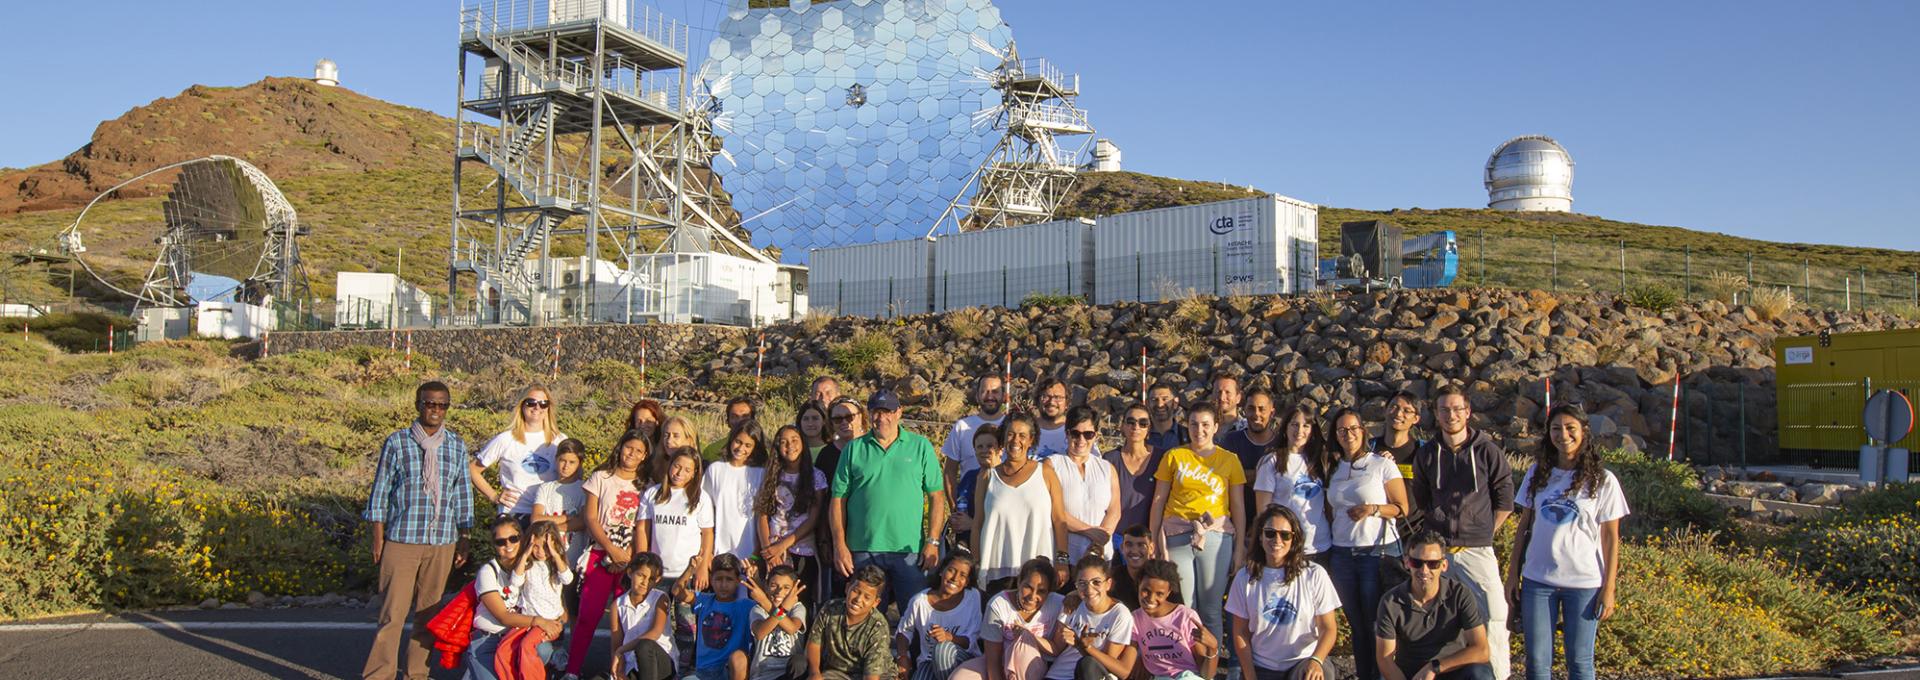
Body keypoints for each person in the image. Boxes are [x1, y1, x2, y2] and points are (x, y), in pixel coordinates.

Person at [1506, 405, 1629, 680]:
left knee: (1580, 663)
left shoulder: (1603, 480)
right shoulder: (1537, 474)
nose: (1563, 435)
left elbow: (1610, 538)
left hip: (1584, 583)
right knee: (1537, 664)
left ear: (1584, 431)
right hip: (1538, 580)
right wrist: (1513, 575)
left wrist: (1609, 587)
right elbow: (1524, 527)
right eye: (1556, 428)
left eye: (1570, 428)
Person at [362, 381, 473, 680]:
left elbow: (462, 493)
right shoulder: (397, 442)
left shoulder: (456, 445)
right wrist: (378, 537)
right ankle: (379, 674)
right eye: (429, 403)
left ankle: (416, 674)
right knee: (391, 615)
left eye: (442, 405)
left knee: (428, 615)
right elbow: (381, 491)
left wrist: (465, 537)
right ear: (418, 405)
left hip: (442, 540)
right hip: (402, 539)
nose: (435, 410)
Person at [1409, 385, 1515, 680]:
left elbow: (1505, 499)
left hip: (1477, 549)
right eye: (1444, 409)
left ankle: (1497, 675)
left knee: (1493, 614)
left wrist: (1484, 531)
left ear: (1468, 412)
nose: (1451, 415)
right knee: (1440, 619)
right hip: (1439, 553)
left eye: (1457, 409)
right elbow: (1422, 498)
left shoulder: (1487, 451)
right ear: (1436, 413)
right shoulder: (1427, 454)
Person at [829, 390, 948, 610]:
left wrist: (933, 542)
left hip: (910, 549)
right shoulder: (854, 448)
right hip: (863, 549)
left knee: (914, 614)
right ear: (869, 414)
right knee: (866, 617)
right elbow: (838, 500)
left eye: (888, 412)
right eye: (876, 412)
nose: (881, 418)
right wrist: (839, 545)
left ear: (899, 412)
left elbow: (936, 496)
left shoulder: (920, 446)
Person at [1148, 403, 1246, 650]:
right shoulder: (1174, 456)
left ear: (1215, 427)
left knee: (1211, 608)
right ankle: (1186, 661)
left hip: (1216, 537)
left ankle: (1210, 661)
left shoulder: (1230, 460)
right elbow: (1158, 500)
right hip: (1177, 535)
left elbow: (1238, 507)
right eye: (1193, 424)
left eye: (1205, 424)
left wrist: (1239, 548)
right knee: (1185, 606)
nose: (1199, 430)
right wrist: (1154, 539)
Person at [1325, 407, 1411, 680]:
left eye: (1353, 428)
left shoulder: (1382, 464)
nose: (1348, 434)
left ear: (1363, 431)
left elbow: (1402, 507)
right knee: (1357, 624)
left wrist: (1372, 509)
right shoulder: (1332, 467)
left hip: (1375, 552)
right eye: (1342, 430)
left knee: (1377, 623)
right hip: (1342, 553)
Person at [564, 430, 653, 679]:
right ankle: (572, 670)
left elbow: (643, 526)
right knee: (588, 616)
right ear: (620, 446)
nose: (631, 454)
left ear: (645, 456)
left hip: (629, 560)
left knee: (626, 621)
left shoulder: (647, 485)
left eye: (638, 451)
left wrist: (628, 556)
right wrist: (611, 550)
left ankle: (620, 672)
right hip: (600, 554)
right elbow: (590, 518)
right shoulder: (601, 477)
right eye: (628, 447)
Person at [1225, 505, 1340, 680]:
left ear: (1294, 538)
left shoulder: (1314, 574)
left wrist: (1316, 660)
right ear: (1260, 536)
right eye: (1270, 533)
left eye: (1285, 535)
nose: (1277, 540)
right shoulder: (1244, 578)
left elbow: (1328, 628)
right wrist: (1250, 676)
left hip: (1303, 662)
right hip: (1262, 666)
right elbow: (1240, 632)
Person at [1376, 531, 1494, 680]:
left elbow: (1482, 650)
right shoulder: (1391, 602)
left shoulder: (1459, 594)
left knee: (1481, 674)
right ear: (1407, 563)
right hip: (1412, 675)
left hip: (1453, 671)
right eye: (1417, 563)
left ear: (1444, 565)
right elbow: (1385, 659)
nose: (1424, 570)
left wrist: (1435, 667)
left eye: (1433, 564)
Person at [975, 412, 1068, 594]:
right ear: (1003, 438)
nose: (1015, 440)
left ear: (1031, 440)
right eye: (1010, 434)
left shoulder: (1046, 473)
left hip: (1037, 574)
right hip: (996, 573)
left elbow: (1059, 520)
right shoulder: (987, 477)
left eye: (1022, 435)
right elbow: (978, 524)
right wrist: (976, 563)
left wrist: (1062, 560)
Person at [467, 517, 564, 680]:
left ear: (523, 538)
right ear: (494, 545)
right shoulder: (488, 571)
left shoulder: (535, 566)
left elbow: (556, 603)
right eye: (500, 542)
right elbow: (503, 617)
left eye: (513, 538)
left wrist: (556, 623)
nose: (508, 545)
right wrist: (540, 621)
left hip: (518, 636)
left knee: (542, 650)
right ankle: (473, 672)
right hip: (488, 640)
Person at [949, 557, 1067, 680]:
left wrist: (1073, 596)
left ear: (1049, 592)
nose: (1032, 596)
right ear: (1019, 581)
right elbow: (993, 660)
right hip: (1000, 661)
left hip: (1033, 666)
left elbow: (1056, 649)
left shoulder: (1059, 603)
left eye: (1041, 591)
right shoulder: (998, 604)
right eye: (1028, 587)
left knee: (1023, 643)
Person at [1252, 402, 1334, 569]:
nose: (1299, 430)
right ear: (1286, 427)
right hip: (1286, 546)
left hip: (1320, 545)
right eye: (1294, 424)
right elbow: (1263, 512)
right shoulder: (1272, 461)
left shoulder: (1321, 460)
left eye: (1306, 426)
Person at [757, 424, 829, 606]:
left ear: (803, 443)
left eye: (795, 440)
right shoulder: (771, 474)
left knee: (799, 602)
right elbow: (762, 514)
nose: (790, 446)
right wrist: (769, 551)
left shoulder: (816, 476)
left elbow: (814, 518)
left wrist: (783, 545)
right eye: (784, 442)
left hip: (802, 550)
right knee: (772, 601)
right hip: (773, 552)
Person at [472, 385, 567, 517]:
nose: (537, 407)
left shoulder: (560, 440)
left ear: (548, 408)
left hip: (548, 515)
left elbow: (574, 475)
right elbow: (473, 469)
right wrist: (494, 496)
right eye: (531, 403)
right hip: (513, 513)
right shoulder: (506, 439)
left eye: (543, 404)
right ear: (522, 406)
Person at [895, 552, 983, 680]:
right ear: (942, 571)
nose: (955, 578)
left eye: (963, 575)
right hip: (929, 661)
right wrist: (902, 657)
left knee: (942, 650)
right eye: (951, 570)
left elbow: (971, 640)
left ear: (967, 582)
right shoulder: (919, 601)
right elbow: (904, 631)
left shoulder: (973, 597)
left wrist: (949, 637)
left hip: (963, 660)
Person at [1049, 406, 1120, 561]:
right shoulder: (1052, 465)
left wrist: (1100, 539)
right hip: (1064, 557)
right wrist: (1088, 531)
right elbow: (1052, 509)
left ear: (1095, 435)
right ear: (1067, 434)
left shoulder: (1107, 468)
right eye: (1075, 433)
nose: (1081, 440)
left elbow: (1114, 510)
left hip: (1100, 557)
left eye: (1088, 434)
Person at [1131, 558, 1220, 680]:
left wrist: (1213, 648)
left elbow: (1206, 675)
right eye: (1146, 591)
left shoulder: (1185, 617)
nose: (1151, 599)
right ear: (1139, 585)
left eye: (1159, 594)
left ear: (1168, 592)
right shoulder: (1135, 619)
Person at [1053, 555, 1137, 680]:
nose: (1089, 589)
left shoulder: (1119, 614)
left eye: (1096, 582)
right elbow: (1055, 648)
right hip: (1060, 674)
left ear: (1108, 584)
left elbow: (1108, 664)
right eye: (1082, 583)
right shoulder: (1072, 604)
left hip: (1092, 674)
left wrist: (1084, 647)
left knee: (1087, 664)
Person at [674, 553, 757, 680]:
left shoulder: (746, 606)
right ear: (711, 579)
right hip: (703, 673)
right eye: (719, 579)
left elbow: (768, 605)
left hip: (729, 671)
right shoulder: (704, 600)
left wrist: (756, 580)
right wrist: (690, 570)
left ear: (738, 581)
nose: (723, 585)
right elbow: (677, 591)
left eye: (729, 579)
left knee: (739, 658)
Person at [807, 565, 897, 680]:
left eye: (867, 597)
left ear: (876, 602)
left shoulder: (878, 626)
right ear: (847, 588)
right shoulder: (830, 608)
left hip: (875, 675)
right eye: (856, 591)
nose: (858, 600)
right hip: (838, 673)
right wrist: (814, 672)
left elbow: (871, 676)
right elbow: (814, 643)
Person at [645, 447, 715, 592]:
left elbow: (707, 534)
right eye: (677, 466)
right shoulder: (652, 493)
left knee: (685, 608)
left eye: (687, 470)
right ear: (670, 464)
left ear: (694, 473)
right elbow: (642, 529)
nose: (679, 473)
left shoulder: (701, 497)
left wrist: (702, 567)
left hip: (688, 573)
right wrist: (643, 563)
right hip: (656, 572)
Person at [1107, 403, 1168, 555]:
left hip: (1148, 539)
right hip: (1117, 539)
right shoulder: (1110, 459)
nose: (1136, 427)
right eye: (1131, 421)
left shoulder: (1162, 458)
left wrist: (1155, 541)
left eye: (1143, 423)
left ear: (1149, 429)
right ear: (1122, 426)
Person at [707, 420, 770, 561]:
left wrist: (756, 554)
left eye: (748, 445)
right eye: (738, 442)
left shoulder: (761, 474)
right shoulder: (715, 469)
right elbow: (706, 511)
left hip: (750, 552)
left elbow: (763, 516)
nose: (741, 448)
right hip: (718, 551)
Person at [943, 375, 1009, 503]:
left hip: (1005, 502)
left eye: (995, 391)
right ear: (977, 396)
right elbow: (949, 471)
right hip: (970, 504)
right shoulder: (961, 427)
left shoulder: (1013, 426)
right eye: (985, 391)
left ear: (1004, 396)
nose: (990, 396)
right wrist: (954, 507)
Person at [612, 553, 676, 680]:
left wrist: (622, 650)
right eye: (641, 575)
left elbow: (655, 633)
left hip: (661, 665)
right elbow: (616, 645)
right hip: (632, 666)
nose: (644, 583)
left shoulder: (660, 598)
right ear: (630, 572)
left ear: (657, 580)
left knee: (644, 645)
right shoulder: (617, 605)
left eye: (651, 579)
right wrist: (618, 669)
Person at [531, 438, 590, 576]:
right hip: (546, 558)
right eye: (562, 460)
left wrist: (552, 528)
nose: (566, 466)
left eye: (572, 462)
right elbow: (536, 519)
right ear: (556, 459)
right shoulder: (545, 488)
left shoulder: (585, 488)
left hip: (573, 557)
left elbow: (581, 522)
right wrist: (567, 518)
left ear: (580, 463)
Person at [1218, 388, 1280, 514]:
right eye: (1251, 408)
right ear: (1244, 410)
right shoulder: (1231, 441)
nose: (1256, 414)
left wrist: (1242, 475)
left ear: (1272, 412)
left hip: (1271, 518)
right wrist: (1265, 476)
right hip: (1236, 516)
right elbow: (1222, 477)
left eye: (1262, 409)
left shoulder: (1280, 445)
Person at [514, 522, 575, 651]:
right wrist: (525, 555)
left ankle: (555, 659)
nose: (541, 552)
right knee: (525, 649)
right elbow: (515, 581)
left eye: (545, 547)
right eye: (535, 546)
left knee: (541, 650)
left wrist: (555, 555)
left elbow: (568, 579)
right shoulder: (528, 564)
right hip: (531, 620)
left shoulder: (555, 564)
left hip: (553, 621)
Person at [748, 564, 811, 680]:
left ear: (794, 590)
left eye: (786, 587)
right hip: (764, 675)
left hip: (790, 673)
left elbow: (792, 628)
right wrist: (782, 608)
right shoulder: (758, 610)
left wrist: (766, 602)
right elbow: (760, 633)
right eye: (773, 585)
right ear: (766, 586)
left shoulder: (797, 608)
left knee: (799, 661)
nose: (779, 591)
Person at [949, 425, 1004, 550]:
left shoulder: (1007, 479)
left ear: (1001, 449)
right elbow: (961, 506)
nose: (984, 450)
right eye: (980, 446)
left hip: (995, 548)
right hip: (966, 547)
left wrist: (973, 524)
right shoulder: (969, 477)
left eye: (989, 446)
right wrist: (955, 520)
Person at [1108, 524, 1181, 611]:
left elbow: (1179, 612)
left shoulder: (1164, 575)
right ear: (1122, 548)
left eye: (1141, 545)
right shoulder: (1113, 578)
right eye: (1129, 545)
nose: (1135, 551)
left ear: (1151, 548)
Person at [1372, 391, 1424, 463]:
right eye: (1394, 407)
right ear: (1385, 410)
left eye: (1407, 411)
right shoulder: (1369, 448)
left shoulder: (1423, 451)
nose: (1398, 414)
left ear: (1416, 419)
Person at [1032, 379, 1076, 460]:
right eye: (1046, 396)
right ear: (1037, 400)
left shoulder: (1078, 432)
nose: (1051, 402)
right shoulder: (1026, 429)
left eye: (1058, 397)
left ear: (1067, 402)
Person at [1144, 385, 1187, 453]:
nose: (1160, 404)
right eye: (1154, 400)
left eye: (1165, 399)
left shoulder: (1188, 436)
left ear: (1175, 403)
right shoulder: (1139, 435)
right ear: (1147, 404)